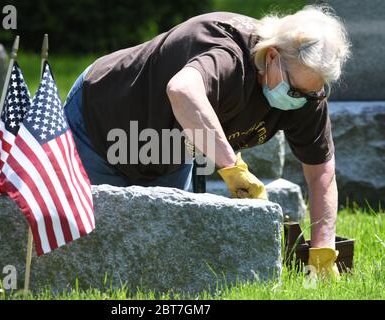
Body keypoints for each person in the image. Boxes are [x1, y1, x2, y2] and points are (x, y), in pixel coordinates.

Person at [63, 5, 351, 279]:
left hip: (170, 146)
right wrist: (232, 168)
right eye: (295, 89)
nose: (300, 99)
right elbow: (182, 91)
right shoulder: (229, 54)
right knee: (91, 250)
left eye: (311, 93)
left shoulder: (307, 94)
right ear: (272, 56)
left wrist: (323, 249)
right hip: (102, 123)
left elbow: (321, 171)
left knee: (166, 257)